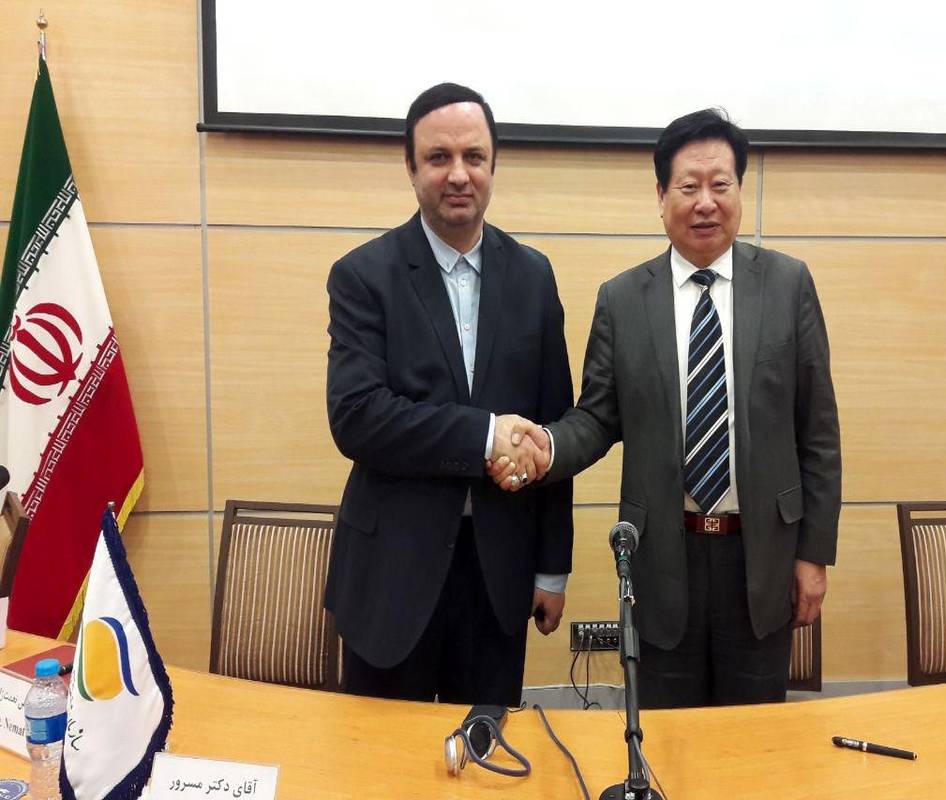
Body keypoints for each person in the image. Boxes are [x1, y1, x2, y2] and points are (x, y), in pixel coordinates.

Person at [495, 108, 841, 708]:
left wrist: (814, 554)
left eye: (720, 184)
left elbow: (818, 433)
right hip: (660, 559)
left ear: (739, 191)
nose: (705, 202)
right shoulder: (622, 299)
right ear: (661, 196)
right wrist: (547, 446)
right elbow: (597, 417)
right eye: (688, 186)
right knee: (667, 737)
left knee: (753, 741)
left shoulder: (788, 285)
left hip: (762, 556)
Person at [324, 82, 573, 706]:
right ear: (410, 167)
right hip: (391, 577)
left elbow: (552, 424)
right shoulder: (363, 275)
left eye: (474, 157)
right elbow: (357, 417)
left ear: (493, 165)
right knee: (380, 755)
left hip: (497, 576)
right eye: (439, 157)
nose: (459, 174)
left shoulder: (533, 275)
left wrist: (552, 568)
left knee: (486, 751)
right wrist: (486, 434)